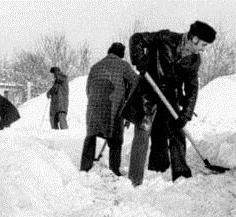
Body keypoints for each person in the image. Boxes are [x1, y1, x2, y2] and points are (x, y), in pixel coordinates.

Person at [125, 21, 216, 185]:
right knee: (143, 131)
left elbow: (192, 87)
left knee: (177, 131)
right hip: (148, 89)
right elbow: (136, 38)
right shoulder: (165, 38)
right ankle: (134, 179)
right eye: (203, 44)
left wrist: (186, 113)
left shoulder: (194, 60)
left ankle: (181, 175)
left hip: (169, 94)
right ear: (194, 39)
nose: (203, 49)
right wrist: (140, 60)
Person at [80, 42, 138, 176]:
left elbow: (88, 89)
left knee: (91, 136)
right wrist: (128, 101)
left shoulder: (95, 67)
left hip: (94, 106)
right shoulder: (123, 65)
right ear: (121, 54)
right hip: (114, 106)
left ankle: (85, 167)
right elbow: (136, 82)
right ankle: (114, 168)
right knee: (115, 137)